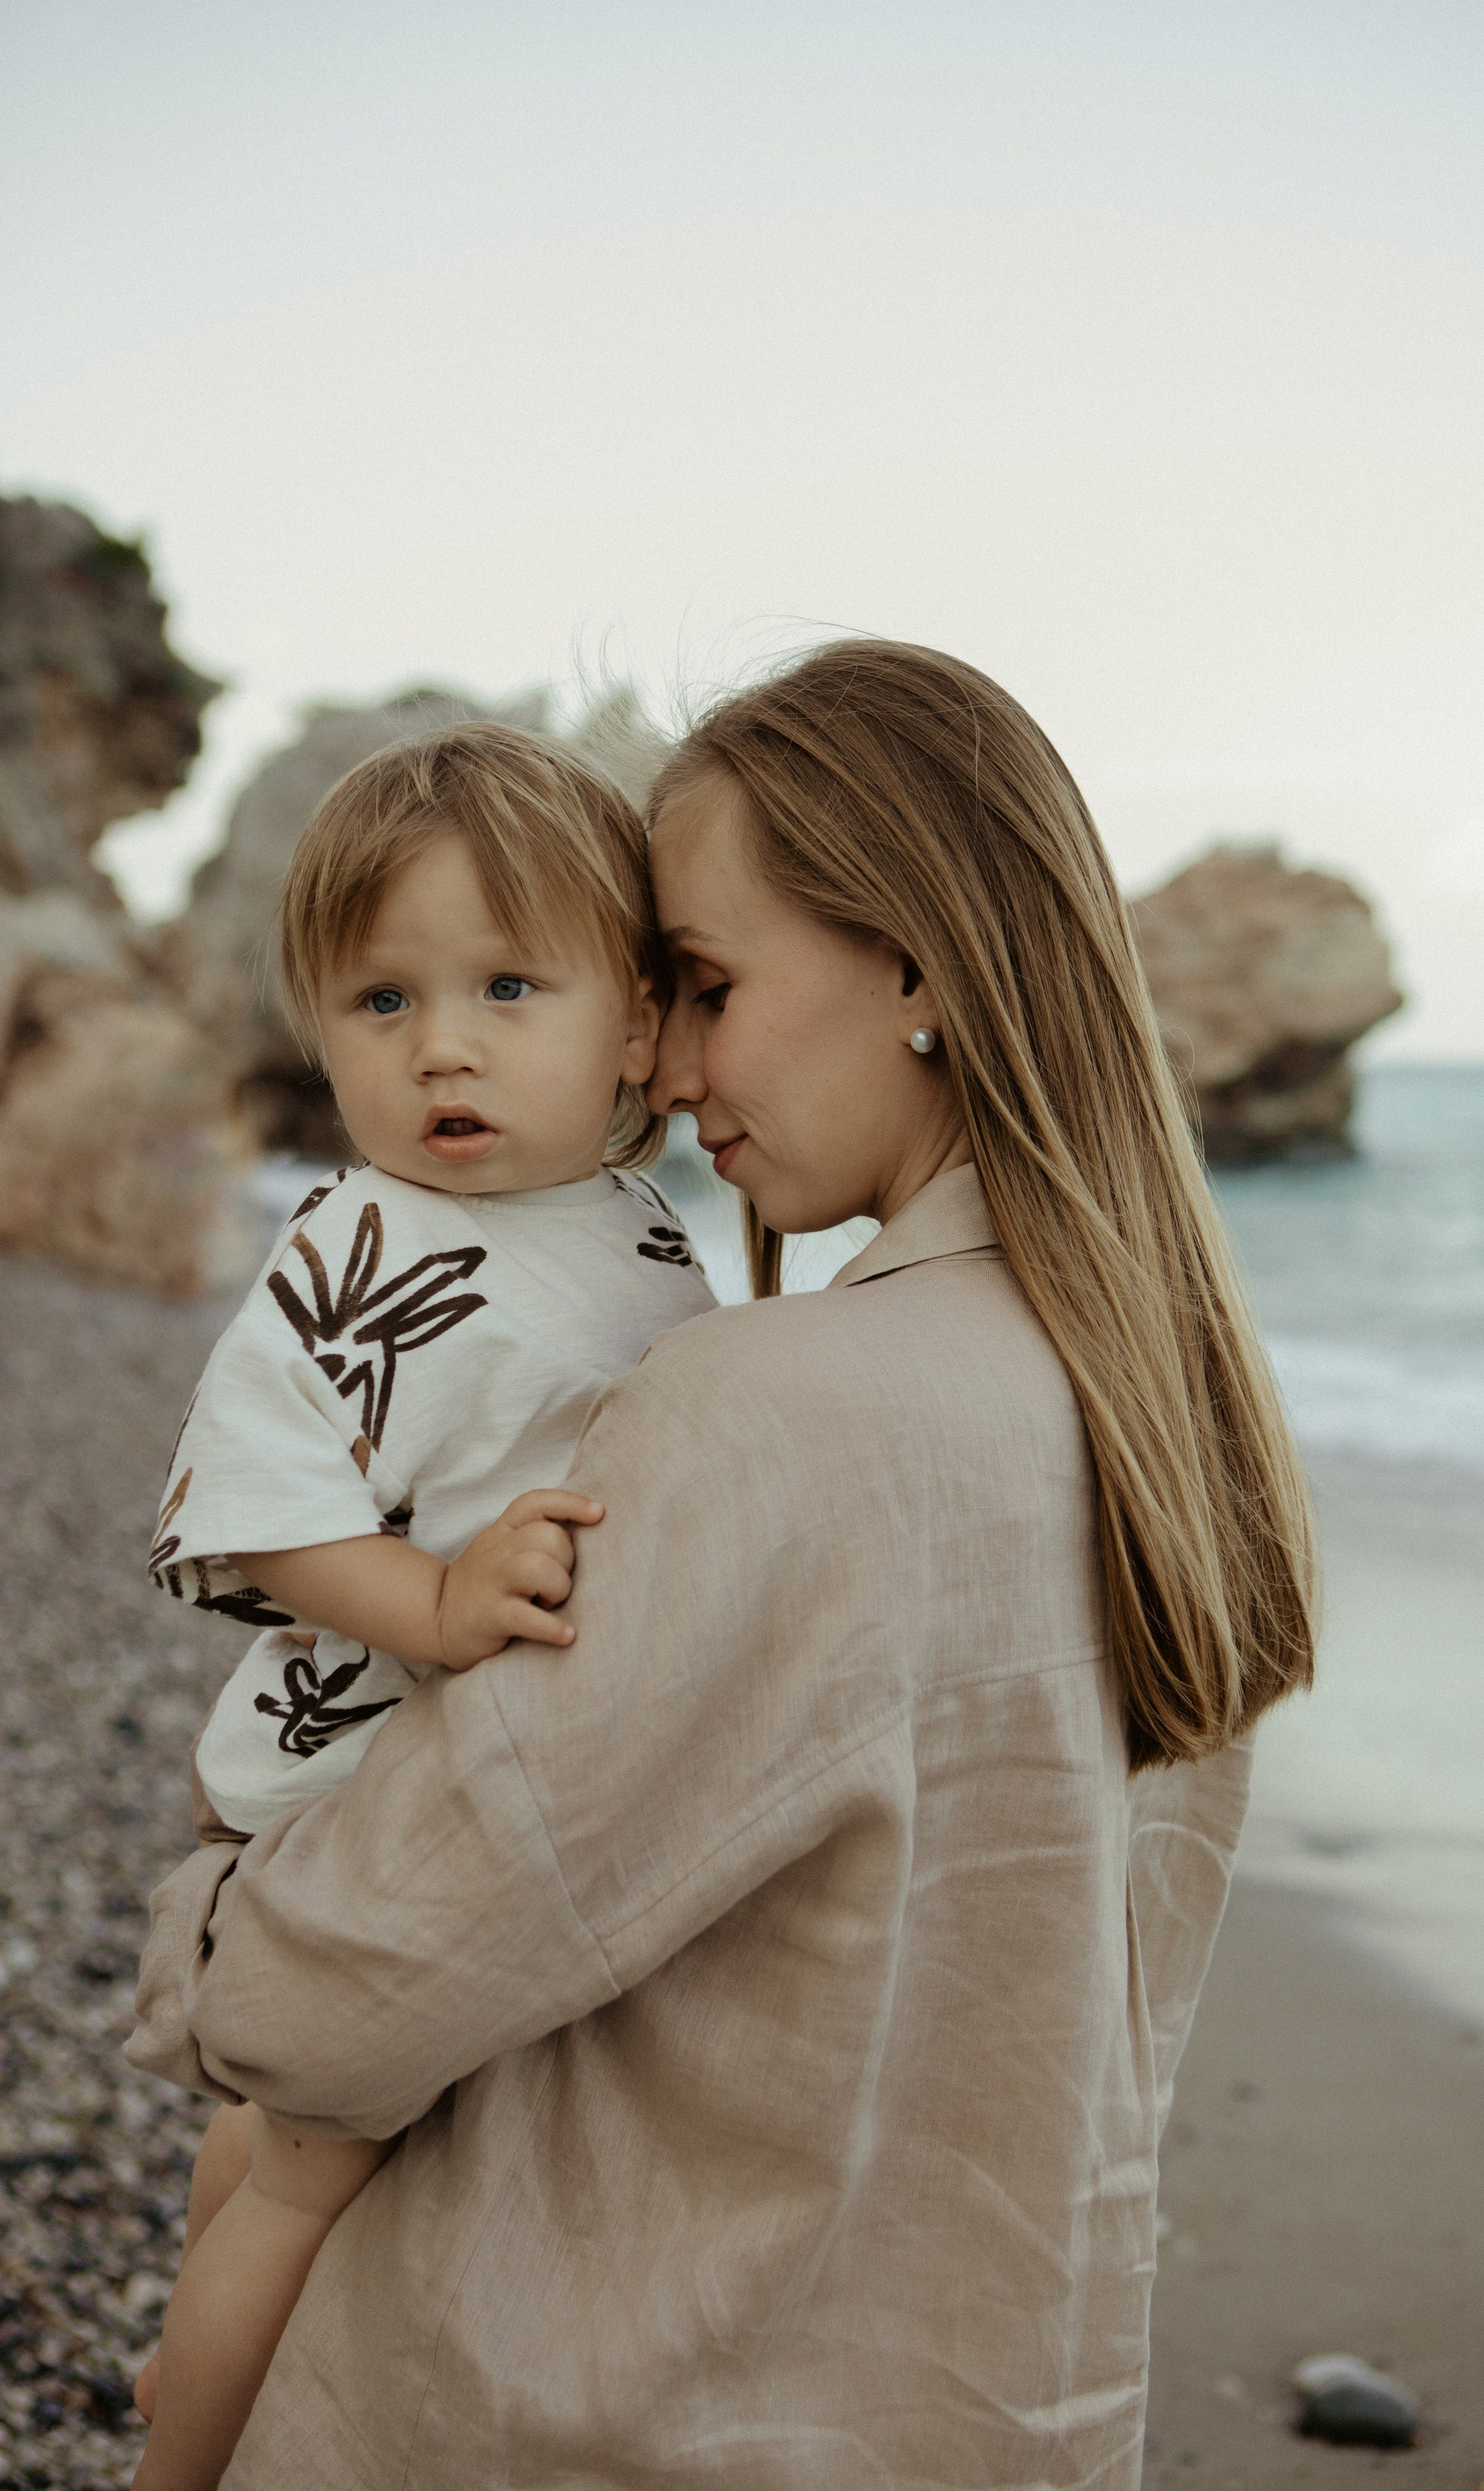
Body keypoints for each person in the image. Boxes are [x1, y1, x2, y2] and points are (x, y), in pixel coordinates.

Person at [127, 640, 1316, 2489]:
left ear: (915, 961)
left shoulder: (770, 1410)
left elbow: (372, 1969)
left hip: (611, 2410)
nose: (664, 1071)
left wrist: (211, 1936)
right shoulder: (1168, 1432)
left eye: (704, 982)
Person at [127, 722, 715, 2490]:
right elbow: (259, 1507)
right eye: (382, 1003)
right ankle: (183, 2457)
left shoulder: (646, 1238)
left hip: (471, 1771)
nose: (443, 1044)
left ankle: (195, 2317)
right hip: (340, 1791)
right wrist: (437, 1596)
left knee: (267, 2151)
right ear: (321, 1033)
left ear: (634, 1026)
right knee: (307, 2192)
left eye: (507, 988)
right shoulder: (348, 1243)